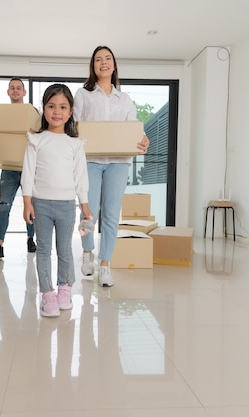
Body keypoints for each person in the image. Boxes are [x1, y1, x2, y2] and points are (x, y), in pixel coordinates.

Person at [73, 45, 150, 287]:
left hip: (119, 163)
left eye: (108, 59)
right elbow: (75, 127)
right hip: (91, 161)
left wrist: (143, 140)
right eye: (98, 60)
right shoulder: (83, 95)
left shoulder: (124, 99)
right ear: (93, 66)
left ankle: (105, 265)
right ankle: (87, 252)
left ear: (114, 65)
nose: (103, 63)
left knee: (111, 215)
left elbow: (133, 131)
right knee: (89, 211)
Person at [21, 84, 92, 317]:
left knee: (64, 250)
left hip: (66, 205)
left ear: (70, 112)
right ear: (44, 109)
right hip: (40, 204)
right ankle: (47, 294)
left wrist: (84, 205)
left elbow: (81, 176)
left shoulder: (75, 144)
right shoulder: (36, 140)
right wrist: (27, 202)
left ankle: (65, 289)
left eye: (63, 107)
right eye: (51, 106)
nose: (56, 111)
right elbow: (28, 172)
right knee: (43, 250)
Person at [0, 78, 37, 258]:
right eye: (12, 88)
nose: (15, 90)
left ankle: (31, 239)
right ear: (8, 92)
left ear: (24, 92)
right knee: (4, 206)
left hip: (28, 167)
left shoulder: (33, 114)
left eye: (19, 88)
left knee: (30, 205)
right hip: (8, 168)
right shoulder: (2, 116)